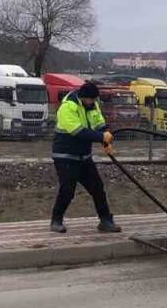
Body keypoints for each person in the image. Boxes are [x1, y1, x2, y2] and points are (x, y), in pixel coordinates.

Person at [49, 81, 121, 233]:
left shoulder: (92, 105)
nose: (94, 103)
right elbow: (78, 131)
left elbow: (100, 124)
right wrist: (101, 136)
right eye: (92, 100)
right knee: (68, 189)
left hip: (83, 156)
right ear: (83, 97)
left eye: (95, 100)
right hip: (65, 155)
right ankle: (56, 220)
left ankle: (106, 220)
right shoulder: (68, 107)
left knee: (97, 188)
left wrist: (106, 138)